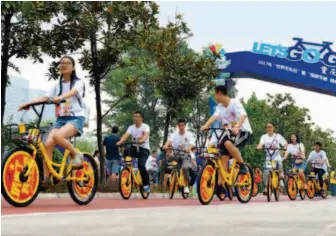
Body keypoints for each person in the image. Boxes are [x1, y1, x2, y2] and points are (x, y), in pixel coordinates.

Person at [18, 56, 85, 187]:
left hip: (76, 118)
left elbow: (72, 92)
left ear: (73, 67)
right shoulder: (57, 85)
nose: (64, 65)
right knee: (47, 145)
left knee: (58, 136)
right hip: (61, 119)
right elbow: (45, 97)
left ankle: (77, 154)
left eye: (68, 63)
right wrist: (29, 103)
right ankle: (47, 178)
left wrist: (60, 97)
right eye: (62, 63)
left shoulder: (78, 83)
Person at [200, 85, 252, 178]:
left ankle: (242, 165)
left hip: (243, 132)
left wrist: (237, 126)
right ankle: (222, 186)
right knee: (223, 157)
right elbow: (214, 117)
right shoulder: (220, 107)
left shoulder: (234, 103)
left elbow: (243, 115)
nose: (214, 96)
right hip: (230, 133)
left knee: (227, 143)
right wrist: (206, 125)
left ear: (219, 93)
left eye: (214, 94)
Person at [116, 111, 151, 193]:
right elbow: (125, 135)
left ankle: (146, 184)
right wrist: (120, 142)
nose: (135, 118)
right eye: (134, 116)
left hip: (143, 149)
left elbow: (146, 134)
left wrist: (142, 140)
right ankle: (127, 170)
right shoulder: (131, 127)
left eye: (137, 116)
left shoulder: (145, 126)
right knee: (126, 151)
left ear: (141, 118)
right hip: (134, 148)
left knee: (141, 165)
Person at [163, 119, 195, 194]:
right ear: (177, 126)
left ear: (185, 126)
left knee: (184, 167)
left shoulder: (189, 134)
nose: (181, 127)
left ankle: (186, 185)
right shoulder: (174, 134)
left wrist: (189, 148)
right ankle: (172, 177)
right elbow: (169, 141)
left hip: (185, 154)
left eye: (182, 125)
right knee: (168, 158)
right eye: (179, 125)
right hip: (176, 154)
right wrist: (165, 145)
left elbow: (192, 144)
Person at [257, 122, 287, 194]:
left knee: (279, 160)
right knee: (266, 171)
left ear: (273, 128)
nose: (269, 128)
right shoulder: (264, 136)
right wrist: (259, 147)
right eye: (267, 127)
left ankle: (281, 173)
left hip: (276, 154)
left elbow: (286, 144)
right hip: (269, 156)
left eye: (270, 127)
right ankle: (267, 188)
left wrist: (284, 150)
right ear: (266, 129)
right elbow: (260, 144)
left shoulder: (278, 136)